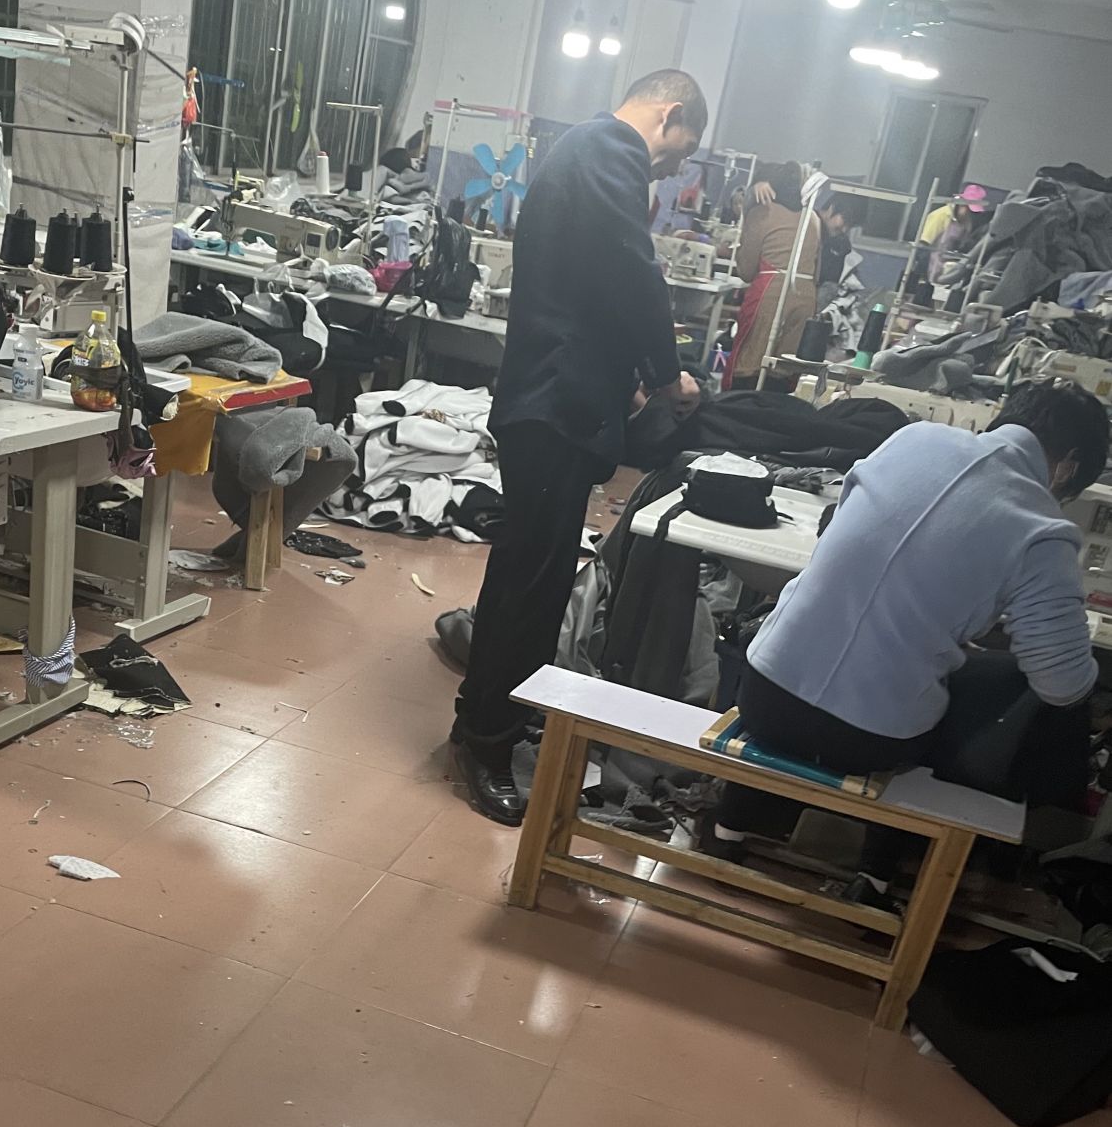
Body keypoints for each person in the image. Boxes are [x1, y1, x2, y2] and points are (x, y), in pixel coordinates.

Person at [706, 383, 1109, 905]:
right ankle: (875, 876)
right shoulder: (1043, 528)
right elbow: (1063, 684)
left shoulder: (912, 440)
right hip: (868, 739)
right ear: (1068, 466)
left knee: (824, 640)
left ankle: (727, 830)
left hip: (763, 691)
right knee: (998, 684)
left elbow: (843, 537)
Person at [450, 67, 708, 824]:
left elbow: (593, 283)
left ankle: (492, 712)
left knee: (530, 572)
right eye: (681, 150)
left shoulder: (584, 152)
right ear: (670, 114)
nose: (673, 168)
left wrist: (629, 378)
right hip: (553, 406)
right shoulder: (610, 150)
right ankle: (486, 740)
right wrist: (665, 373)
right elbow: (632, 270)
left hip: (555, 400)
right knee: (531, 583)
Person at [724, 161, 821, 388]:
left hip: (771, 294)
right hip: (806, 298)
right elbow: (818, 269)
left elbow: (746, 271)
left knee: (749, 365)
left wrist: (751, 205)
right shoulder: (813, 217)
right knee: (784, 371)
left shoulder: (762, 212)